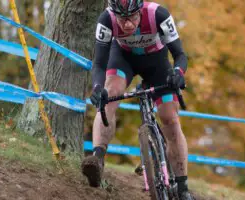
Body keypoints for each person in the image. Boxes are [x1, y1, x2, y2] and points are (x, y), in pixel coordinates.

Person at [81, 0, 194, 199]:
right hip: (123, 59)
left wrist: (178, 72)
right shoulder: (106, 19)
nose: (127, 25)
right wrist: (98, 88)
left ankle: (183, 187)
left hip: (157, 62)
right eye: (122, 19)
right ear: (113, 14)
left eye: (132, 18)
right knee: (110, 93)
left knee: (170, 118)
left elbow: (180, 54)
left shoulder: (158, 14)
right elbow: (99, 63)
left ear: (140, 11)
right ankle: (97, 159)